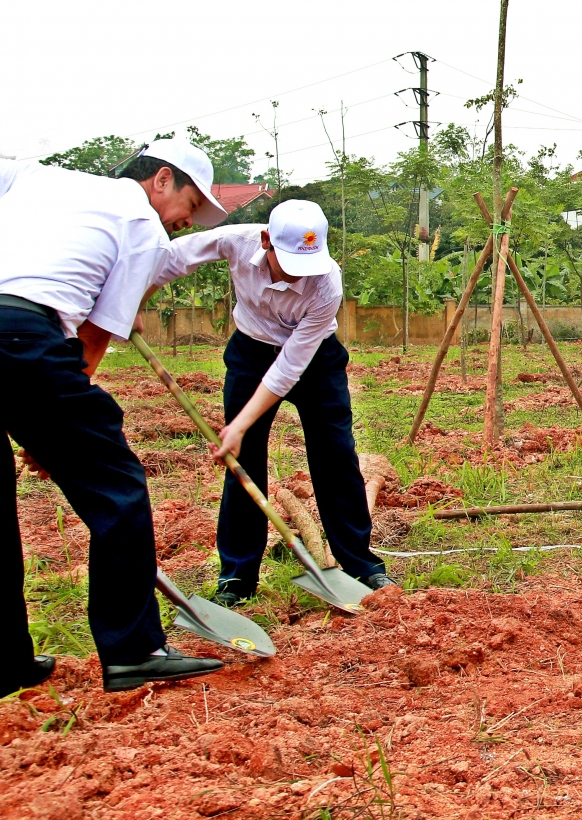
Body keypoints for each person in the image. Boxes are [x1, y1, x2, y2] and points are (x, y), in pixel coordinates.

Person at [0, 140, 232, 693]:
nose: (183, 221)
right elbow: (97, 333)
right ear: (161, 180)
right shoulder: (142, 225)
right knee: (118, 488)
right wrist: (52, 432)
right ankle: (134, 649)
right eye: (190, 205)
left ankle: (2, 659)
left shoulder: (38, 177)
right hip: (24, 333)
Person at [148, 199, 395, 607]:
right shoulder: (236, 241)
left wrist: (239, 423)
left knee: (335, 455)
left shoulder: (327, 283)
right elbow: (171, 259)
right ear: (267, 241)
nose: (302, 277)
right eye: (292, 265)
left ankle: (360, 563)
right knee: (243, 463)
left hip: (313, 358)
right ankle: (237, 576)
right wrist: (136, 301)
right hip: (250, 351)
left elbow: (287, 370)